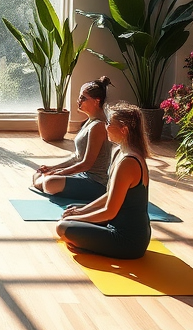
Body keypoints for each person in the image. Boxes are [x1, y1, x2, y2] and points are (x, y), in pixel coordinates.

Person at [55, 103, 152, 260]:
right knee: (73, 210)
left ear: (124, 129)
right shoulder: (120, 152)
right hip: (119, 226)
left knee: (63, 227)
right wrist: (82, 210)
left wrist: (75, 218)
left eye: (109, 123)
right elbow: (110, 195)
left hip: (128, 241)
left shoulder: (129, 162)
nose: (105, 127)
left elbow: (109, 212)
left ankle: (90, 246)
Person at [33, 77, 113, 201]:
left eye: (83, 98)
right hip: (83, 175)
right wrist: (53, 168)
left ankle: (45, 182)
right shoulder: (89, 122)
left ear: (97, 101)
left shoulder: (98, 126)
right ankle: (45, 181)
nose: (78, 101)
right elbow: (77, 158)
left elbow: (86, 164)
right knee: (42, 176)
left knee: (49, 182)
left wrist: (59, 173)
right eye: (80, 97)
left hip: (96, 184)